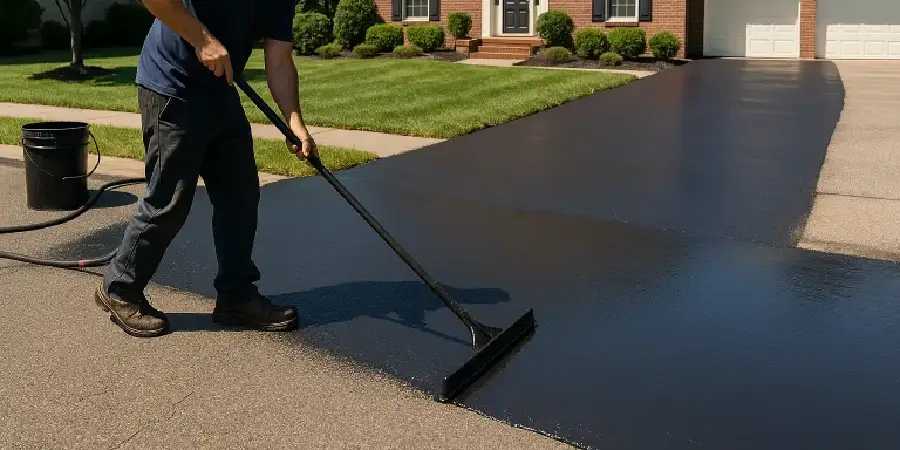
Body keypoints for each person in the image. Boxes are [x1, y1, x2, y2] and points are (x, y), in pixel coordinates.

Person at [94, 0, 316, 338]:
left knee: (239, 196)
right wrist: (202, 39)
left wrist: (294, 121)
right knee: (169, 200)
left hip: (220, 93)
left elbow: (280, 58)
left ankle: (236, 296)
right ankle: (119, 288)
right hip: (172, 85)